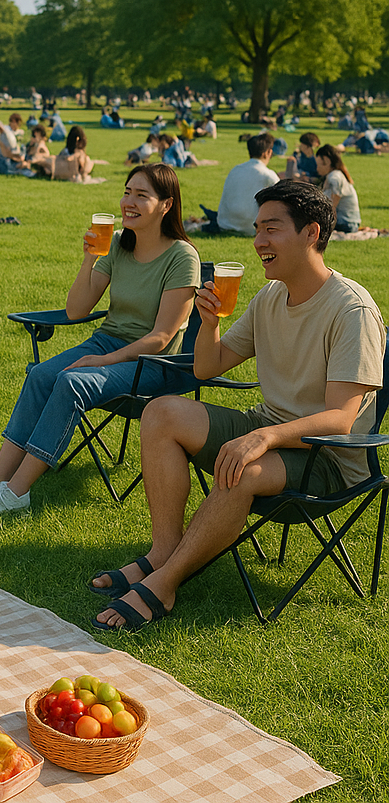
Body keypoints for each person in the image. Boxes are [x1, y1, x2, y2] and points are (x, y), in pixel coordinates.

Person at [92, 181, 385, 629]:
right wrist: (208, 324)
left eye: (271, 229)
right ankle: (162, 553)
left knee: (242, 467)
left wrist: (261, 439)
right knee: (161, 412)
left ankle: (164, 584)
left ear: (311, 233)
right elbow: (210, 367)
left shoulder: (350, 311)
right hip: (265, 427)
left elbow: (342, 419)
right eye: (256, 229)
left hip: (326, 458)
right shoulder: (270, 297)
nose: (258, 242)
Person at [0, 164, 200, 515]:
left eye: (141, 195)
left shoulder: (182, 257)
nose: (128, 201)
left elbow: (161, 337)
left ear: (166, 205)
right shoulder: (116, 244)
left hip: (152, 364)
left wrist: (101, 361)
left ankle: (16, 493)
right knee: (41, 375)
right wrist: (89, 260)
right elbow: (76, 310)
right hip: (106, 341)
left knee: (72, 382)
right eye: (127, 192)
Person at [202, 132, 277, 235]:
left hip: (224, 224)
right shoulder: (268, 174)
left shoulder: (235, 169)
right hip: (251, 228)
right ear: (267, 152)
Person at [315, 144, 362, 233]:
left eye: (318, 164)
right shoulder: (334, 175)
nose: (317, 168)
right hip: (350, 222)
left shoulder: (335, 177)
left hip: (346, 223)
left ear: (327, 162)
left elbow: (333, 205)